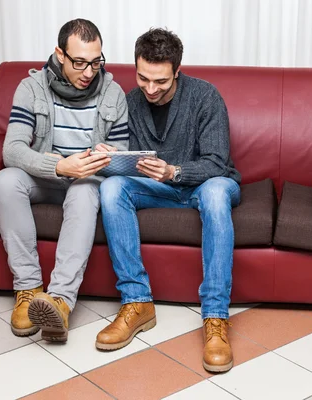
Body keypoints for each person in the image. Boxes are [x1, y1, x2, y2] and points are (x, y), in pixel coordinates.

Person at [95, 28, 241, 373]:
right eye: (143, 78)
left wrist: (174, 171)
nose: (150, 88)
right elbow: (125, 161)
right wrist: (109, 156)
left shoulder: (206, 96)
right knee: (111, 188)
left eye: (160, 81)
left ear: (177, 70)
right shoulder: (129, 102)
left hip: (206, 185)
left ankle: (216, 318)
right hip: (157, 188)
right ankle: (137, 302)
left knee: (217, 192)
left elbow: (217, 163)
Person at [0, 19, 129, 342]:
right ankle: (27, 289)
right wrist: (60, 166)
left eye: (96, 62)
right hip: (47, 175)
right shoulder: (31, 88)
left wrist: (110, 154)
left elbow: (123, 153)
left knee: (84, 193)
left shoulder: (114, 93)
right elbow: (12, 150)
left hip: (84, 181)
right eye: (79, 62)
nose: (88, 72)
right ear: (60, 54)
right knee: (5, 181)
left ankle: (60, 302)